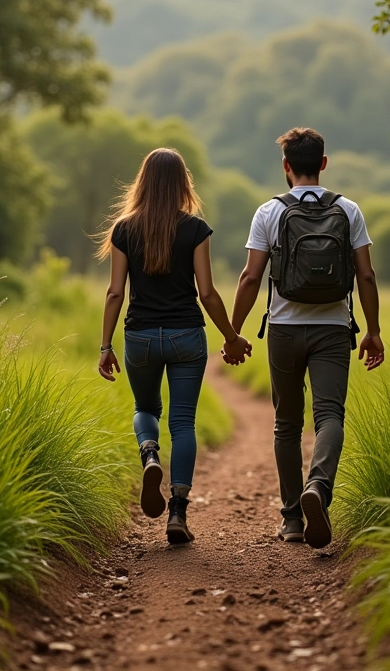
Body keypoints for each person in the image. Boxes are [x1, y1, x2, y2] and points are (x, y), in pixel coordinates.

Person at [228, 127, 384, 549]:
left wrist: (234, 332)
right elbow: (366, 274)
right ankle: (320, 486)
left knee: (286, 424)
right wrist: (372, 330)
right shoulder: (348, 209)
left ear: (286, 167)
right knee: (329, 415)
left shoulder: (269, 212)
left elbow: (250, 277)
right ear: (324, 164)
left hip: (282, 329)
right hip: (334, 327)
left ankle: (293, 518)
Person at [96, 148, 251, 544]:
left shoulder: (124, 229)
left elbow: (115, 294)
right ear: (184, 182)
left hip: (140, 337)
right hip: (186, 337)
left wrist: (105, 346)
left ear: (142, 180)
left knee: (145, 408)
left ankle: (150, 456)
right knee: (183, 423)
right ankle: (178, 514)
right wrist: (232, 338)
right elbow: (208, 293)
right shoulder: (196, 229)